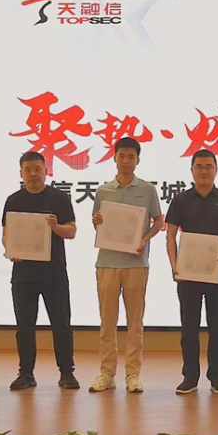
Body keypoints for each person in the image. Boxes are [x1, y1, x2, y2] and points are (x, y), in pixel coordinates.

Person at [166, 149, 218, 395]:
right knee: (189, 326)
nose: (204, 171)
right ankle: (190, 376)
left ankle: (217, 377)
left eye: (209, 166)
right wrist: (174, 264)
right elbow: (170, 234)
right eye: (199, 166)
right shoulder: (181, 200)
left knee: (217, 326)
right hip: (188, 273)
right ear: (191, 170)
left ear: (216, 170)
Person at [89, 137, 164, 393]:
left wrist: (144, 239)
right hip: (107, 263)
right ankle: (106, 373)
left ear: (137, 160)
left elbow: (158, 221)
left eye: (131, 156)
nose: (126, 161)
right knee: (107, 322)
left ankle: (133, 374)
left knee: (135, 323)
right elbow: (98, 223)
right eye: (121, 156)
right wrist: (97, 220)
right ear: (115, 158)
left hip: (136, 264)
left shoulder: (147, 190)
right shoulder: (103, 191)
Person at [2, 151, 78, 391]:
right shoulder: (13, 200)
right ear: (21, 173)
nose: (33, 174)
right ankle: (26, 373)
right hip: (23, 274)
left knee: (61, 324)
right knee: (24, 326)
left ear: (46, 171)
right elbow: (6, 235)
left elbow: (72, 231)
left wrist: (56, 227)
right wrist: (11, 250)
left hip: (54, 272)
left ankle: (67, 373)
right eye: (28, 170)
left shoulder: (59, 198)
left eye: (37, 169)